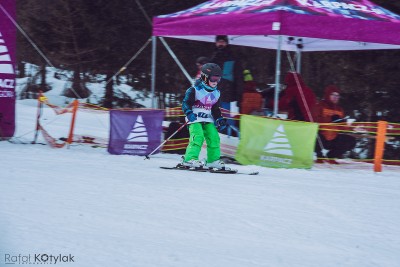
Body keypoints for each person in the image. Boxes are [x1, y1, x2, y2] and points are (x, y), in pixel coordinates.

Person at [179, 63, 229, 170]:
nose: (215, 82)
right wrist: (188, 112)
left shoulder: (216, 93)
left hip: (208, 119)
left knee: (214, 137)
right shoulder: (195, 90)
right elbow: (185, 103)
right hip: (194, 118)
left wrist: (219, 119)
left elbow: (215, 109)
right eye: (213, 79)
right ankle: (189, 159)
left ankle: (212, 161)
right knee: (198, 136)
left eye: (218, 79)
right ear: (205, 77)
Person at [313, 85, 356, 164]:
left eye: (337, 95)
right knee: (314, 136)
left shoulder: (340, 109)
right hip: (321, 136)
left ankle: (331, 156)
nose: (335, 97)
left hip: (334, 137)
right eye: (333, 95)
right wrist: (330, 120)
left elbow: (343, 128)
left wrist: (347, 126)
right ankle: (319, 156)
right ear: (327, 95)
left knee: (350, 141)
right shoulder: (320, 106)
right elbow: (314, 120)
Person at [210, 35, 243, 113]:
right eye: (219, 42)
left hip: (229, 97)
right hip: (214, 96)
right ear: (216, 43)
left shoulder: (233, 58)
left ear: (226, 43)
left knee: (227, 120)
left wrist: (239, 97)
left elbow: (239, 78)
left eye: (223, 42)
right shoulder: (213, 58)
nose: (221, 44)